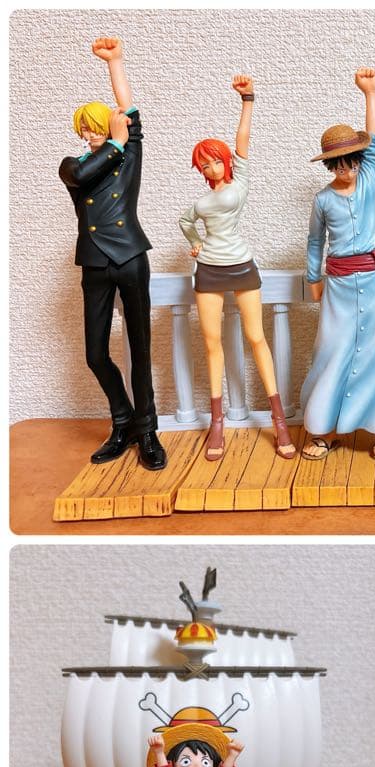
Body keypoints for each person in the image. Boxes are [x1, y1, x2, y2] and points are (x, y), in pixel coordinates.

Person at [59, 37, 166, 469]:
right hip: (94, 262)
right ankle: (123, 421)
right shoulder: (73, 165)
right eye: (84, 128)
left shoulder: (128, 156)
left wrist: (115, 62)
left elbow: (129, 114)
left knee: (140, 350)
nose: (89, 134)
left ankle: (147, 430)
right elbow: (85, 171)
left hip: (130, 256)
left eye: (96, 126)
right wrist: (115, 142)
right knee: (95, 354)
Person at [180, 76, 295, 461]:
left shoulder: (239, 183)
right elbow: (185, 221)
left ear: (225, 160)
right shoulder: (201, 201)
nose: (212, 167)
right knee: (212, 343)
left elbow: (242, 141)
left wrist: (248, 100)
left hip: (242, 265)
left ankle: (279, 419)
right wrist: (195, 242)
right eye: (205, 163)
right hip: (209, 270)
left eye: (216, 160)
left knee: (256, 338)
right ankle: (218, 422)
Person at [301, 68, 375, 461]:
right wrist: (313, 278)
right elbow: (316, 241)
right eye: (338, 165)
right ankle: (324, 428)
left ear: (359, 161)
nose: (346, 171)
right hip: (340, 286)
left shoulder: (369, 180)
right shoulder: (322, 200)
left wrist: (371, 94)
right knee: (333, 351)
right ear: (330, 166)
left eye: (351, 162)